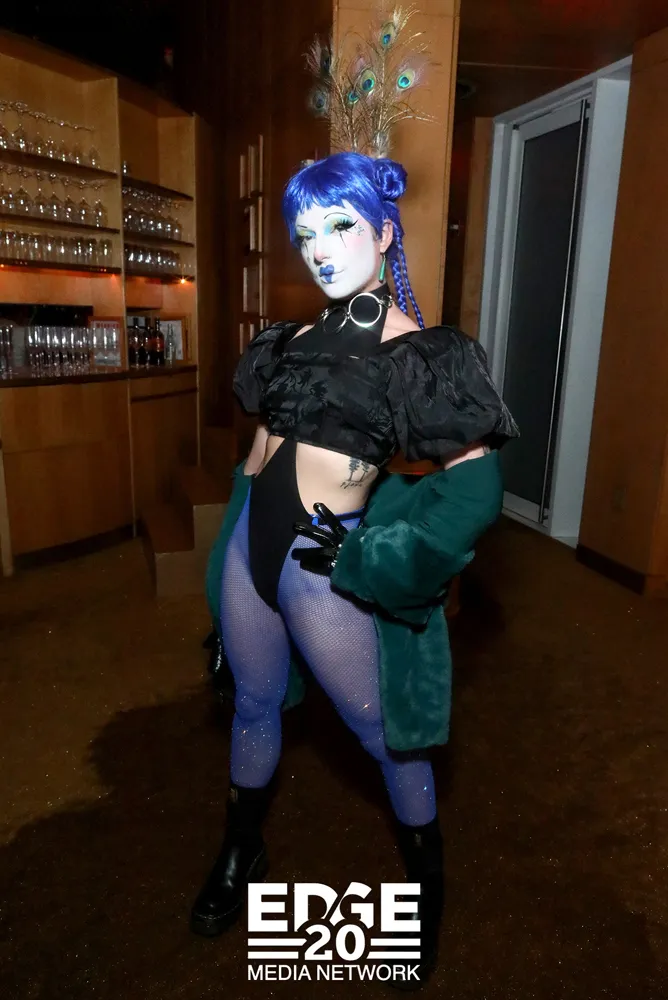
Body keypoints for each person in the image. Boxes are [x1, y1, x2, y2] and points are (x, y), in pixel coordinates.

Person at [191, 151, 518, 988]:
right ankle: (240, 849)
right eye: (306, 234)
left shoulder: (417, 353)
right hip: (252, 555)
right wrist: (226, 575)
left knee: (386, 735)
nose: (320, 249)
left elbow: (474, 491)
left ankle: (425, 889)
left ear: (383, 233)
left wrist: (381, 559)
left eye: (340, 226)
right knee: (254, 704)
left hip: (320, 564)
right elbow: (256, 460)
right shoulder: (289, 342)